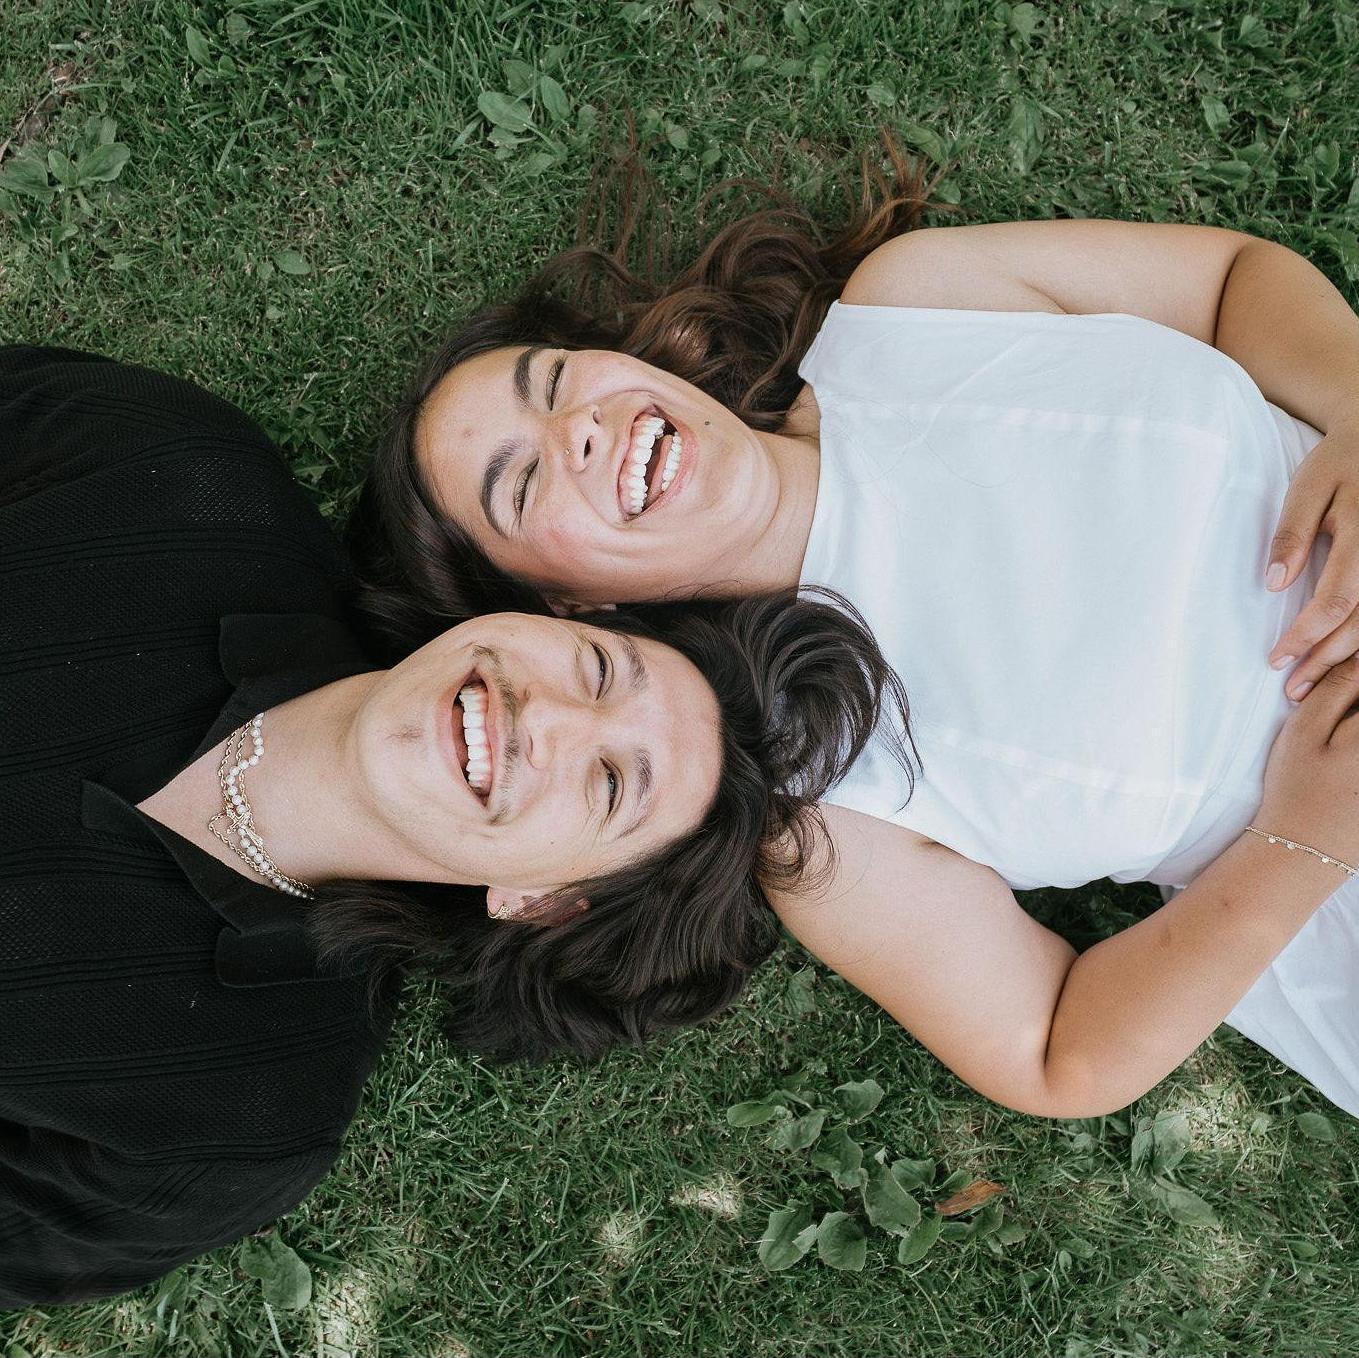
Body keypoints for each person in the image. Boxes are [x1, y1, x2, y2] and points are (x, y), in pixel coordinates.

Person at [349, 140, 1359, 1122]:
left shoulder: (917, 305)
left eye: (554, 381)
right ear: (563, 606)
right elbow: (1056, 1052)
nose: (575, 429)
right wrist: (1306, 837)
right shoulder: (833, 802)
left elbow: (1231, 282)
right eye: (523, 483)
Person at [0, 346, 904, 1306]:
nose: (544, 718)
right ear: (542, 614)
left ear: (545, 901)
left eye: (607, 785)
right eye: (596, 669)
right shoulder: (176, 477)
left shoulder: (229, 1124)